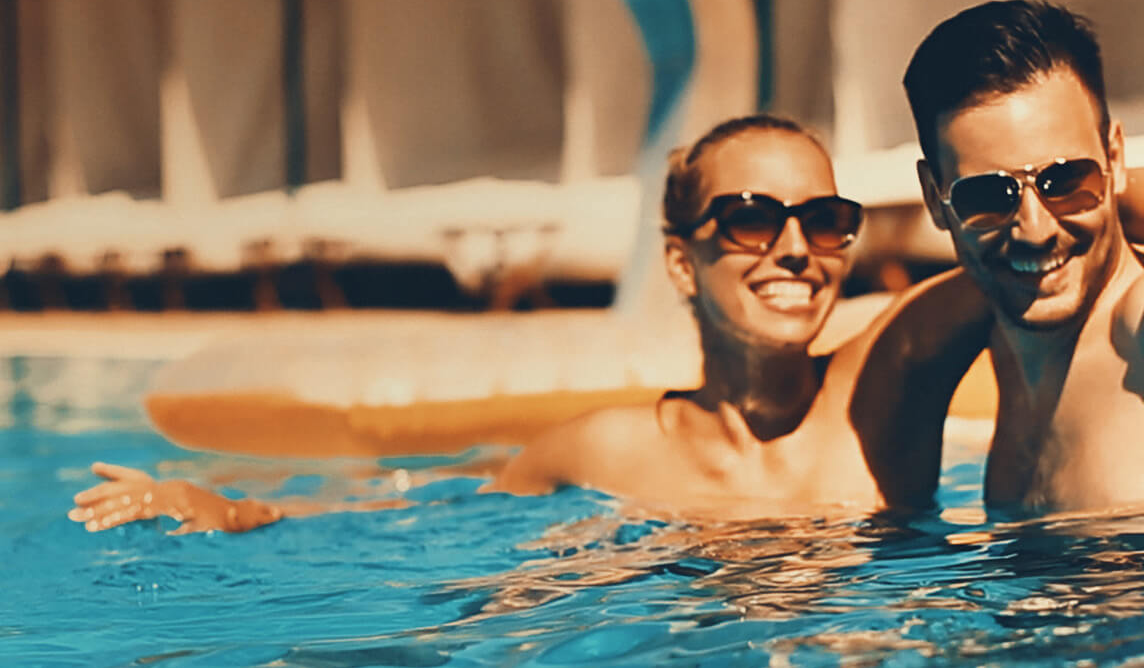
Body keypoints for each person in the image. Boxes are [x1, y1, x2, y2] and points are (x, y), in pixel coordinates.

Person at [71, 115, 990, 532]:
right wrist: (236, 509)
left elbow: (1054, 243)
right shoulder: (608, 452)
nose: (797, 249)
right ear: (681, 260)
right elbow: (435, 502)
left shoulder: (891, 377)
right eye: (752, 218)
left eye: (825, 219)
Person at [902, 0, 1144, 513]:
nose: (1034, 230)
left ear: (1114, 158)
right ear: (936, 198)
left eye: (1064, 180)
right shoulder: (995, 338)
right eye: (988, 196)